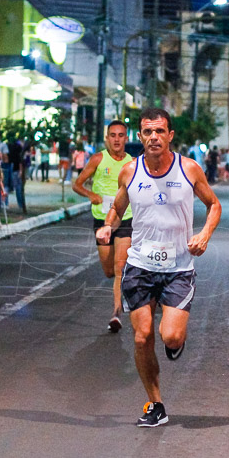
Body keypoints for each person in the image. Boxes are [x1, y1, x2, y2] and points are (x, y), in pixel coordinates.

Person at [95, 107, 221, 428]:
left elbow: (214, 204)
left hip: (178, 268)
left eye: (160, 131)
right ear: (140, 137)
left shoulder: (189, 169)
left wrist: (204, 234)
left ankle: (173, 343)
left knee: (171, 337)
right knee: (141, 337)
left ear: (170, 135)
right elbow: (118, 207)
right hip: (139, 267)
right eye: (148, 132)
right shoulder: (130, 172)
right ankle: (155, 404)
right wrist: (108, 226)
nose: (154, 137)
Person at [73, 120, 134, 333]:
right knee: (109, 270)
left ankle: (116, 313)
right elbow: (77, 184)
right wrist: (91, 195)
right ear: (107, 138)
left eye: (121, 135)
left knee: (119, 267)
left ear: (127, 138)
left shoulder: (132, 163)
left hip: (125, 218)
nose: (117, 139)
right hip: (102, 222)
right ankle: (122, 293)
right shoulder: (98, 159)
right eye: (113, 135)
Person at [8, 137, 27, 213]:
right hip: (16, 170)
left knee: (15, 187)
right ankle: (21, 204)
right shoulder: (18, 153)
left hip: (12, 169)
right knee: (18, 187)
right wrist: (21, 171)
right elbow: (20, 162)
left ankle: (20, 204)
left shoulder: (11, 150)